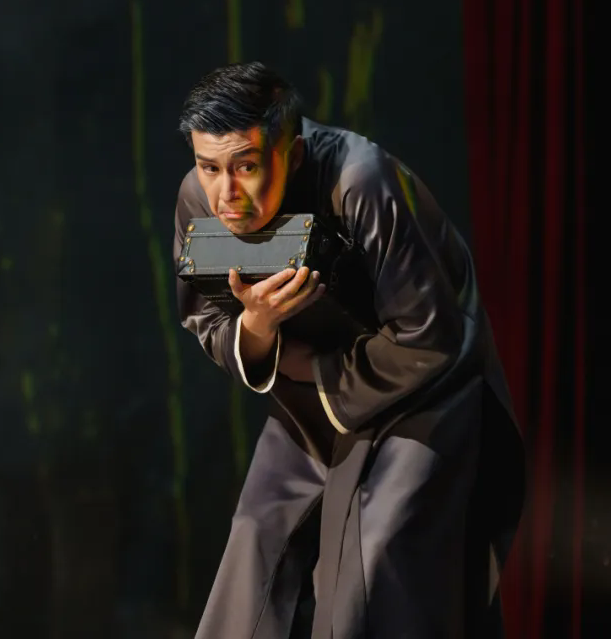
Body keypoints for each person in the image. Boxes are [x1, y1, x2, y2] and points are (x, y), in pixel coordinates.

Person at [173, 62, 526, 638]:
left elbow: (429, 333)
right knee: (255, 546)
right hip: (310, 398)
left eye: (246, 166)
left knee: (371, 565)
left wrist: (320, 376)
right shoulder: (198, 198)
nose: (225, 193)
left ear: (291, 153)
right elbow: (206, 317)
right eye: (208, 166)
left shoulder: (362, 181)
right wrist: (257, 325)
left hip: (424, 396)